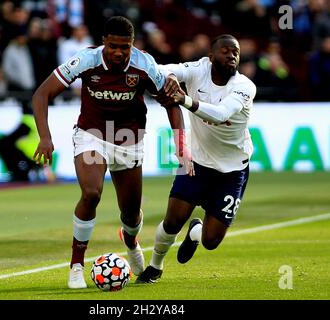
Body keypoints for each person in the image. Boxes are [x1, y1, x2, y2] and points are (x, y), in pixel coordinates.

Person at [32, 16, 189, 289]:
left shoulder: (145, 65)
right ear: (104, 42)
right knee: (91, 193)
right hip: (91, 135)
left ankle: (130, 241)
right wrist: (45, 137)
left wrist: (181, 144)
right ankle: (77, 265)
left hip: (129, 141)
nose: (119, 52)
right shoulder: (85, 60)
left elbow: (172, 104)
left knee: (130, 215)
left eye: (125, 47)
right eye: (114, 46)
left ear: (132, 45)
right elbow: (41, 94)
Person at [136, 34, 257, 283]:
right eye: (225, 50)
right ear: (211, 56)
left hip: (233, 170)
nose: (232, 55)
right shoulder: (197, 70)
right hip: (197, 163)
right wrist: (166, 79)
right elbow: (162, 69)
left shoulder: (245, 86)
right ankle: (155, 266)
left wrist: (184, 99)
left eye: (236, 51)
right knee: (172, 221)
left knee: (211, 241)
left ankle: (196, 232)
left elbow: (221, 113)